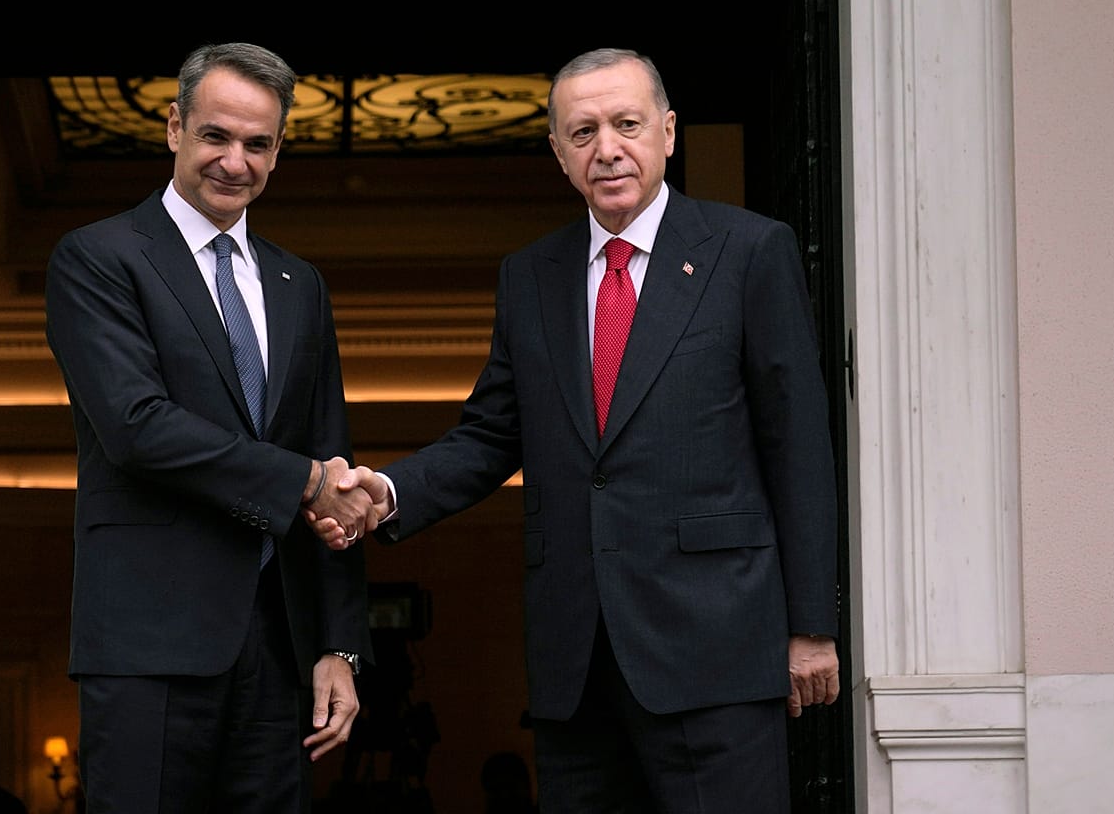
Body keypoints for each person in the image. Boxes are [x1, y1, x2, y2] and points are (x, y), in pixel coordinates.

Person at [318, 47, 841, 811]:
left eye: (627, 124)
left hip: (717, 652)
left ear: (668, 132)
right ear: (559, 154)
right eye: (584, 132)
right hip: (576, 665)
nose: (608, 149)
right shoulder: (531, 275)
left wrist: (811, 628)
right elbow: (490, 435)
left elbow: (797, 446)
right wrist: (388, 492)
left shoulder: (750, 251)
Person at [44, 41, 379, 813]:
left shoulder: (300, 285)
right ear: (174, 128)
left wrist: (338, 644)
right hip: (147, 645)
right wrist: (304, 481)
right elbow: (136, 426)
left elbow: (332, 459)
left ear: (279, 149)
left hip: (279, 646)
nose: (235, 162)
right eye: (215, 136)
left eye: (257, 144)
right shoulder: (98, 258)